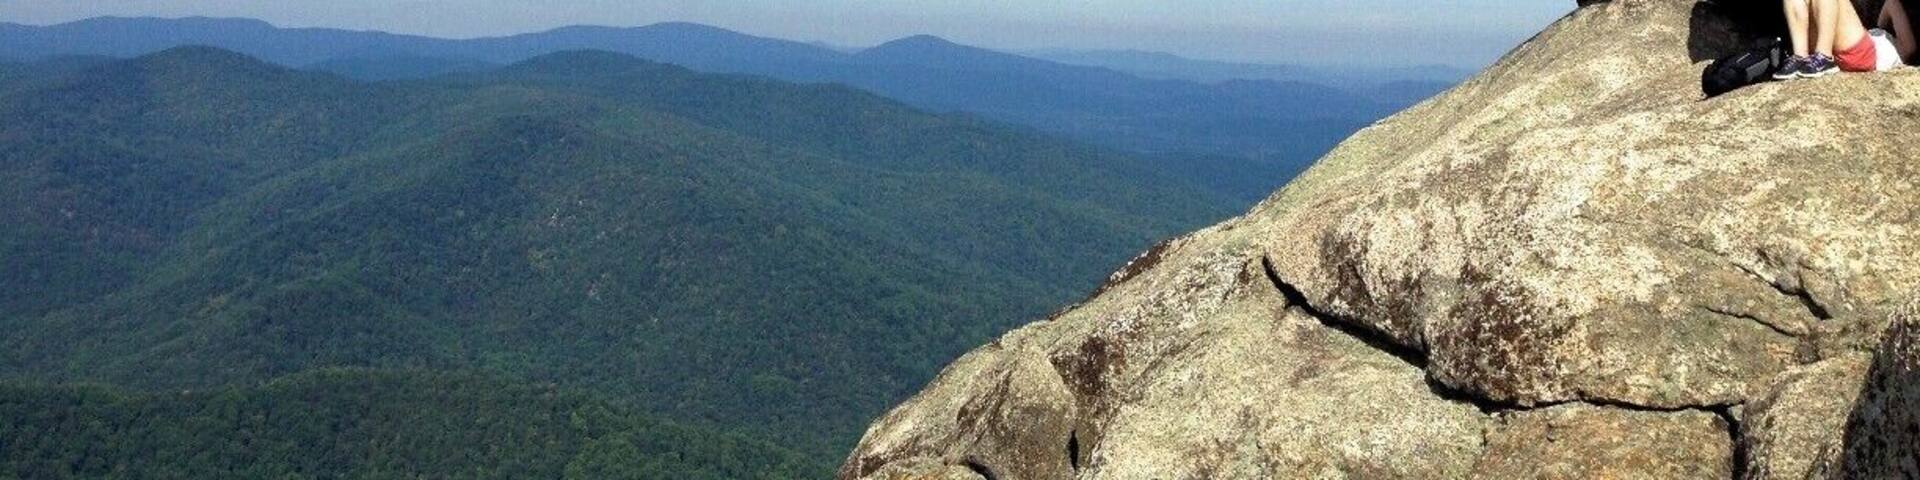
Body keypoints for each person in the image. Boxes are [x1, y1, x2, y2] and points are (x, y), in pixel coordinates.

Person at [1775, 0, 1916, 79]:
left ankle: (1817, 56)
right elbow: (1883, 19)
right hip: (1850, 52)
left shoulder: (1898, 50)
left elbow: (1910, 48)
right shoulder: (1884, 39)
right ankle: (1803, 58)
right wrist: (1882, 29)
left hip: (1861, 55)